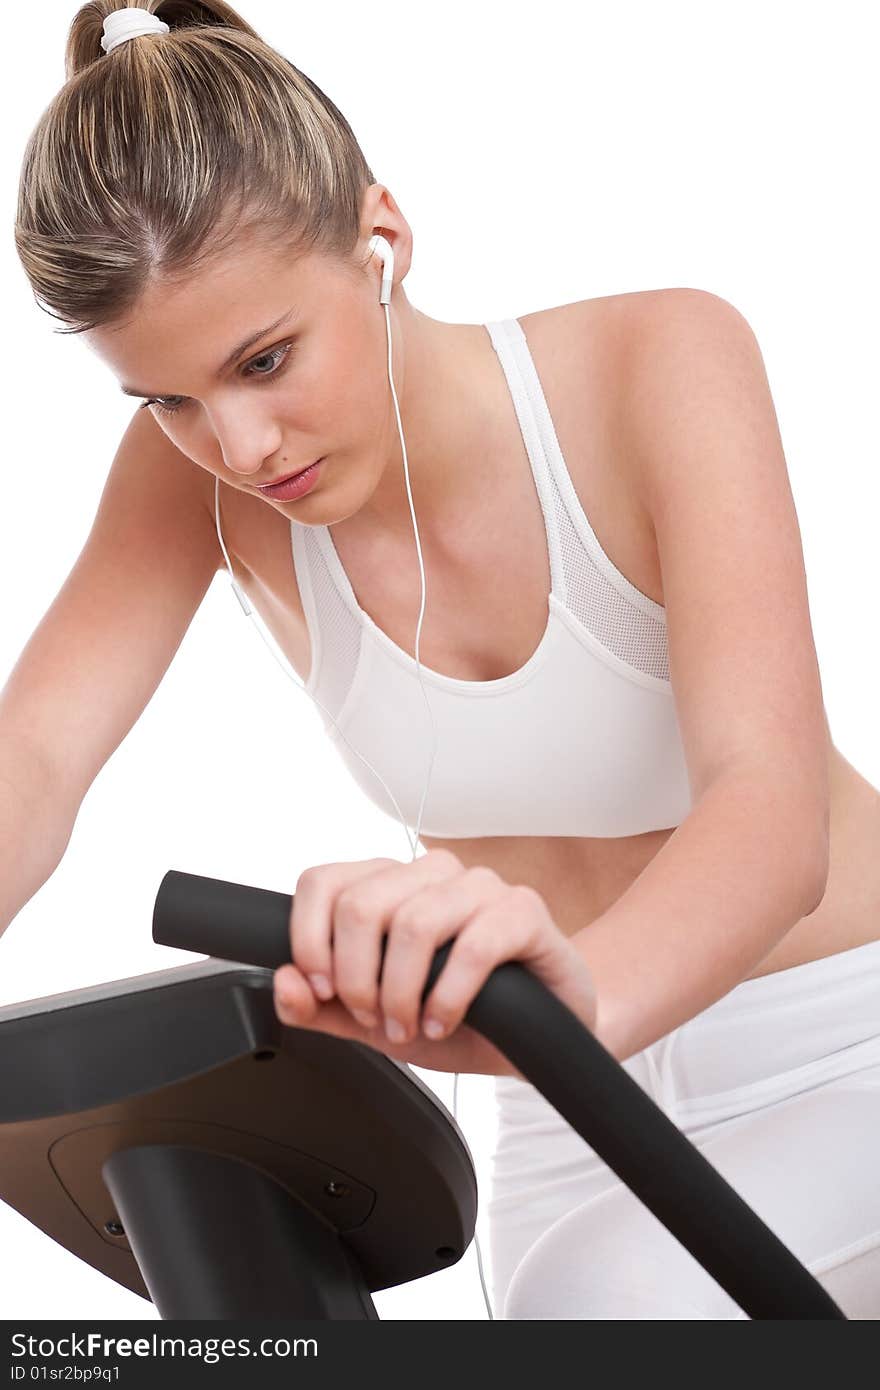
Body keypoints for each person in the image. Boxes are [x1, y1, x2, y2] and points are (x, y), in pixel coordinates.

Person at [4, 0, 879, 1319]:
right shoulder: (193, 486)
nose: (237, 446)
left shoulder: (660, 360)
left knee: (606, 1302)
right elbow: (38, 751)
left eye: (264, 358)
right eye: (170, 398)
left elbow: (772, 807)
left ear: (381, 239)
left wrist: (574, 997)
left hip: (836, 1037)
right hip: (559, 1105)